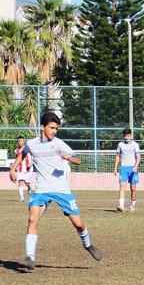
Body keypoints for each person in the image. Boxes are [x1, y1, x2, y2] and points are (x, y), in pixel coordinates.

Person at [9, 112, 102, 270]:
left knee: (78, 224)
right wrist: (12, 169)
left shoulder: (59, 144)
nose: (54, 131)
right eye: (52, 128)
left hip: (61, 189)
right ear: (43, 127)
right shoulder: (31, 143)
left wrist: (68, 158)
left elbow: (78, 160)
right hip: (40, 190)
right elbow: (22, 154)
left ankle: (88, 244)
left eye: (56, 128)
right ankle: (30, 257)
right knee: (32, 219)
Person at [113, 128, 141, 212]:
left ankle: (132, 205)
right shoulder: (120, 144)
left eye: (128, 136)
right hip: (123, 168)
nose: (126, 137)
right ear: (123, 136)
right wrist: (115, 168)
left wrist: (136, 166)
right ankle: (121, 206)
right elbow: (118, 155)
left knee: (133, 187)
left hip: (132, 168)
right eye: (125, 136)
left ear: (131, 136)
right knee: (122, 186)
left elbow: (139, 156)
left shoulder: (135, 145)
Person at [14, 136, 33, 202]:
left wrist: (31, 163)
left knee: (26, 182)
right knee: (20, 182)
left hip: (28, 168)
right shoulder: (16, 150)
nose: (20, 142)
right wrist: (13, 166)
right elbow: (17, 159)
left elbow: (33, 156)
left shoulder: (28, 149)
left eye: (21, 141)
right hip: (20, 169)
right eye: (19, 141)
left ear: (24, 141)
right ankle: (21, 198)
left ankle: (29, 188)